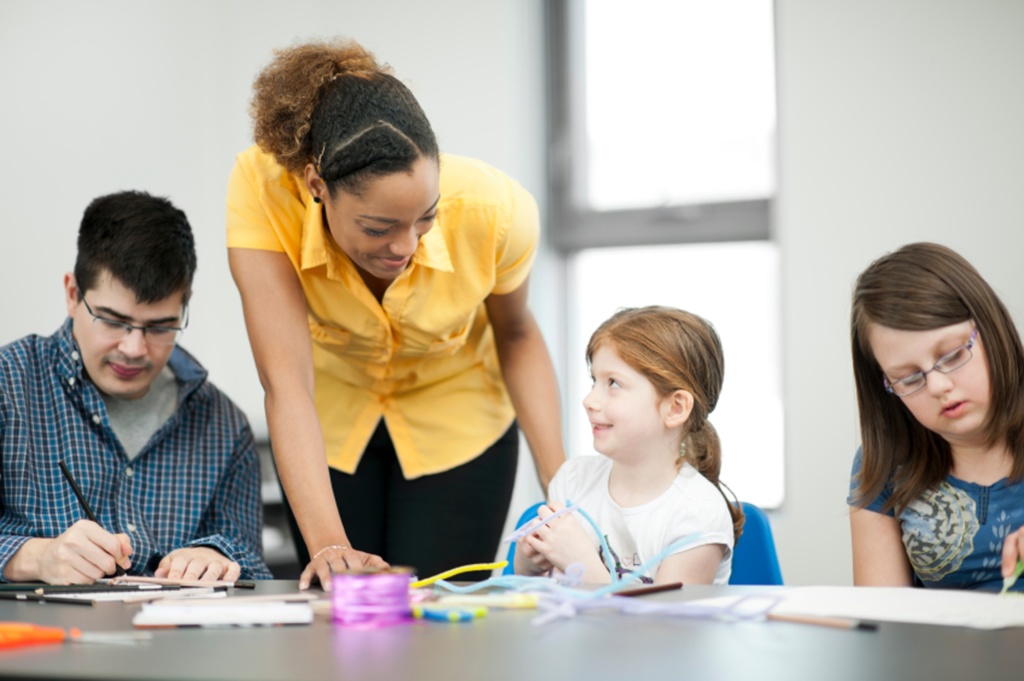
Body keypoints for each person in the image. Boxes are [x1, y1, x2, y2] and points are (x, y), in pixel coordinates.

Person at [226, 38, 565, 590]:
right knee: (341, 623)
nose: (404, 246)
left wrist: (562, 490)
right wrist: (331, 546)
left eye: (424, 219)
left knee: (439, 637)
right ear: (317, 185)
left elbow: (518, 334)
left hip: (459, 424)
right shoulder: (264, 189)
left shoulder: (498, 211)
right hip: (329, 426)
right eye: (379, 228)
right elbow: (285, 382)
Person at [0, 191, 271, 585]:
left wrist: (216, 558)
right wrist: (34, 558)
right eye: (112, 321)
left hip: (177, 644)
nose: (133, 349)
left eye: (160, 327)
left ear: (184, 307)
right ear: (73, 295)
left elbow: (252, 567)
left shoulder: (223, 426)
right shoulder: (9, 386)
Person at [514, 306, 743, 585]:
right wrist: (528, 565)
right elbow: (541, 595)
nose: (589, 400)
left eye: (613, 383)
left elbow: (666, 626)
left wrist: (584, 565)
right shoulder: (572, 480)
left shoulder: (698, 512)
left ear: (675, 408)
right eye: (593, 380)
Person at [848, 242, 1024, 591]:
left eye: (954, 354)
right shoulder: (885, 461)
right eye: (910, 379)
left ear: (990, 328)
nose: (939, 385)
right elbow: (885, 619)